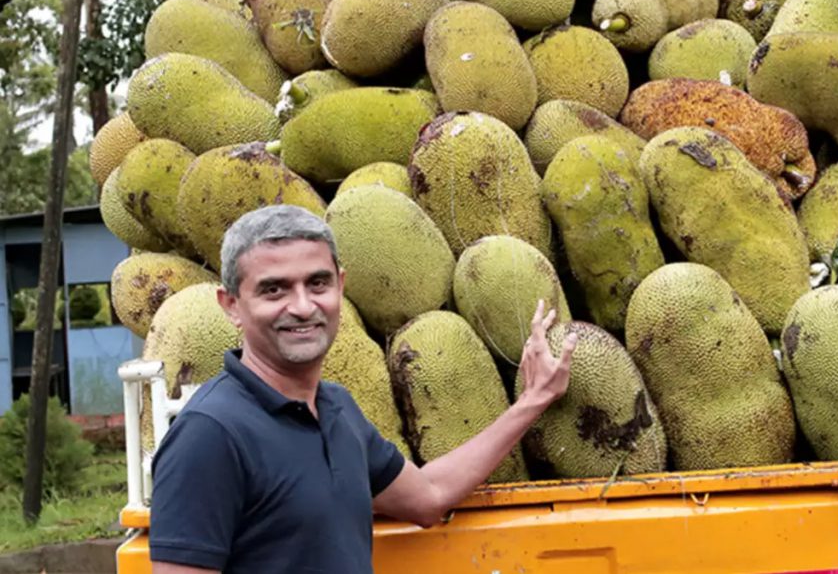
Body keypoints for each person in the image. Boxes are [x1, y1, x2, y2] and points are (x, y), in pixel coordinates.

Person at [149, 204, 577, 573]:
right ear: (231, 306)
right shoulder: (209, 433)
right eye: (274, 289)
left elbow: (428, 496)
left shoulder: (336, 408)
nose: (302, 306)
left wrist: (533, 400)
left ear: (341, 286)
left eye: (317, 283)